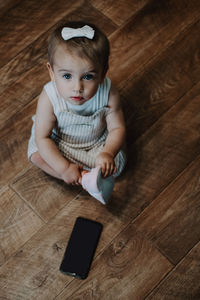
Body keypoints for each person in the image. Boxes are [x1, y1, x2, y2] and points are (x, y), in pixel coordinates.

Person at [28, 21, 126, 189]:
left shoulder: (109, 93)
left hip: (97, 144)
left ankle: (84, 176)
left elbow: (117, 128)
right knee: (36, 154)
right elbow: (43, 138)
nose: (77, 88)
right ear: (51, 72)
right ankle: (81, 178)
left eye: (88, 77)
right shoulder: (49, 97)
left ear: (103, 73)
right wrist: (64, 167)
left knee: (117, 164)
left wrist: (107, 153)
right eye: (67, 76)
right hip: (59, 142)